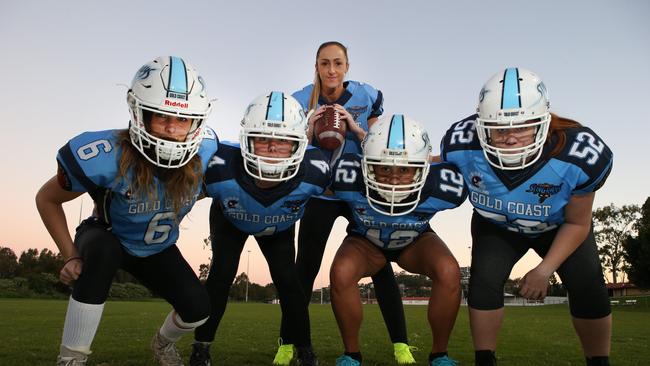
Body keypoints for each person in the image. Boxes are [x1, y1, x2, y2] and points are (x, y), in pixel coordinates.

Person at [35, 56, 218, 366]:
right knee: (103, 252)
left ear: (197, 121)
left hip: (157, 247)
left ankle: (162, 343)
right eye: (160, 117)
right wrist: (70, 254)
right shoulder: (106, 155)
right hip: (108, 235)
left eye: (182, 119)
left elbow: (208, 191)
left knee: (199, 308)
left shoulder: (209, 155)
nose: (172, 129)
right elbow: (47, 198)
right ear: (139, 113)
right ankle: (71, 359)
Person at [440, 68, 613, 366]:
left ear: (543, 123)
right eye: (499, 128)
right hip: (496, 225)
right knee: (483, 282)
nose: (509, 138)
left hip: (558, 226)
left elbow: (578, 222)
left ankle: (599, 362)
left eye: (521, 127)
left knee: (588, 283)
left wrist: (545, 270)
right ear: (481, 126)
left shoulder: (576, 153)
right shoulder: (461, 145)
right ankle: (485, 360)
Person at [277, 41, 413, 365]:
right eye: (325, 63)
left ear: (347, 66)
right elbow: (289, 152)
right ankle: (289, 344)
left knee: (381, 268)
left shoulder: (366, 96)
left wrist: (354, 127)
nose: (332, 70)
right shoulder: (300, 101)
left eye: (338, 63)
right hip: (321, 195)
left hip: (358, 192)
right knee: (304, 272)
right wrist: (308, 132)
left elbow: (379, 147)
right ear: (317, 66)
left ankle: (401, 345)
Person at [189, 92, 329, 366]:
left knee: (290, 284)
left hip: (278, 227)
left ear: (299, 144)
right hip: (231, 219)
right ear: (246, 139)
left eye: (283, 141)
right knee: (221, 276)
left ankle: (305, 350)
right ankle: (201, 347)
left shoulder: (317, 170)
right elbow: (177, 194)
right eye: (263, 139)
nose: (273, 147)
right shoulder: (220, 165)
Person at [329, 114, 468, 366]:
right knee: (341, 271)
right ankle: (351, 354)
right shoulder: (346, 177)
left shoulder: (446, 186)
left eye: (404, 169)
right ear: (366, 164)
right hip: (366, 240)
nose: (394, 178)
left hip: (414, 239)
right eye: (384, 167)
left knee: (448, 270)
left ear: (424, 166)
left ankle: (440, 354)